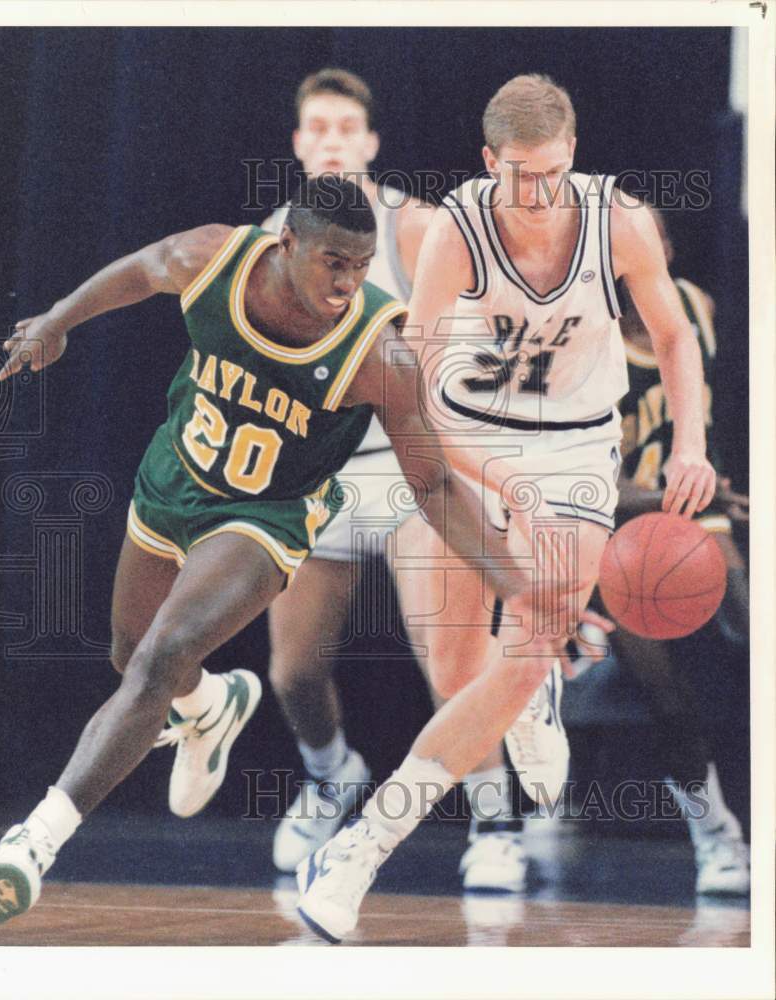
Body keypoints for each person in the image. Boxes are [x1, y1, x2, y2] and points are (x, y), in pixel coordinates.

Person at [0, 177, 552, 925]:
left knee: (163, 652)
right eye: (332, 262)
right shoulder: (212, 258)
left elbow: (435, 485)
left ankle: (36, 841)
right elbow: (141, 270)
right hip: (175, 476)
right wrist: (57, 319)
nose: (348, 282)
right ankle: (211, 708)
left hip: (269, 512)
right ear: (286, 244)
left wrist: (519, 583)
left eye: (361, 265)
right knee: (131, 654)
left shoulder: (381, 353)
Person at [296, 74, 717, 943]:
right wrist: (500, 484)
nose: (536, 191)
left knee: (526, 648)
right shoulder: (455, 228)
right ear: (491, 162)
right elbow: (409, 391)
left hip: (573, 446)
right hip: (461, 436)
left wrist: (689, 444)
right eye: (519, 173)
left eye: (552, 173)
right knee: (457, 664)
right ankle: (526, 700)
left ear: (574, 157)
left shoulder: (621, 221)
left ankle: (361, 851)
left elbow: (673, 335)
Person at [260, 67, 537, 891]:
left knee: (452, 663)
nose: (336, 139)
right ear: (302, 143)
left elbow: (477, 350)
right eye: (321, 127)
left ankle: (495, 822)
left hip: (413, 474)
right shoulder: (268, 240)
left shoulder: (414, 228)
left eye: (350, 126)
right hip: (316, 479)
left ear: (371, 143)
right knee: (292, 672)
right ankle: (329, 777)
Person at [612, 207, 750, 895]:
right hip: (626, 531)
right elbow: (591, 485)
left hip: (711, 521)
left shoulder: (697, 307)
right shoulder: (592, 345)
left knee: (752, 630)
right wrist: (695, 497)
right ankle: (714, 834)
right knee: (666, 697)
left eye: (651, 247)